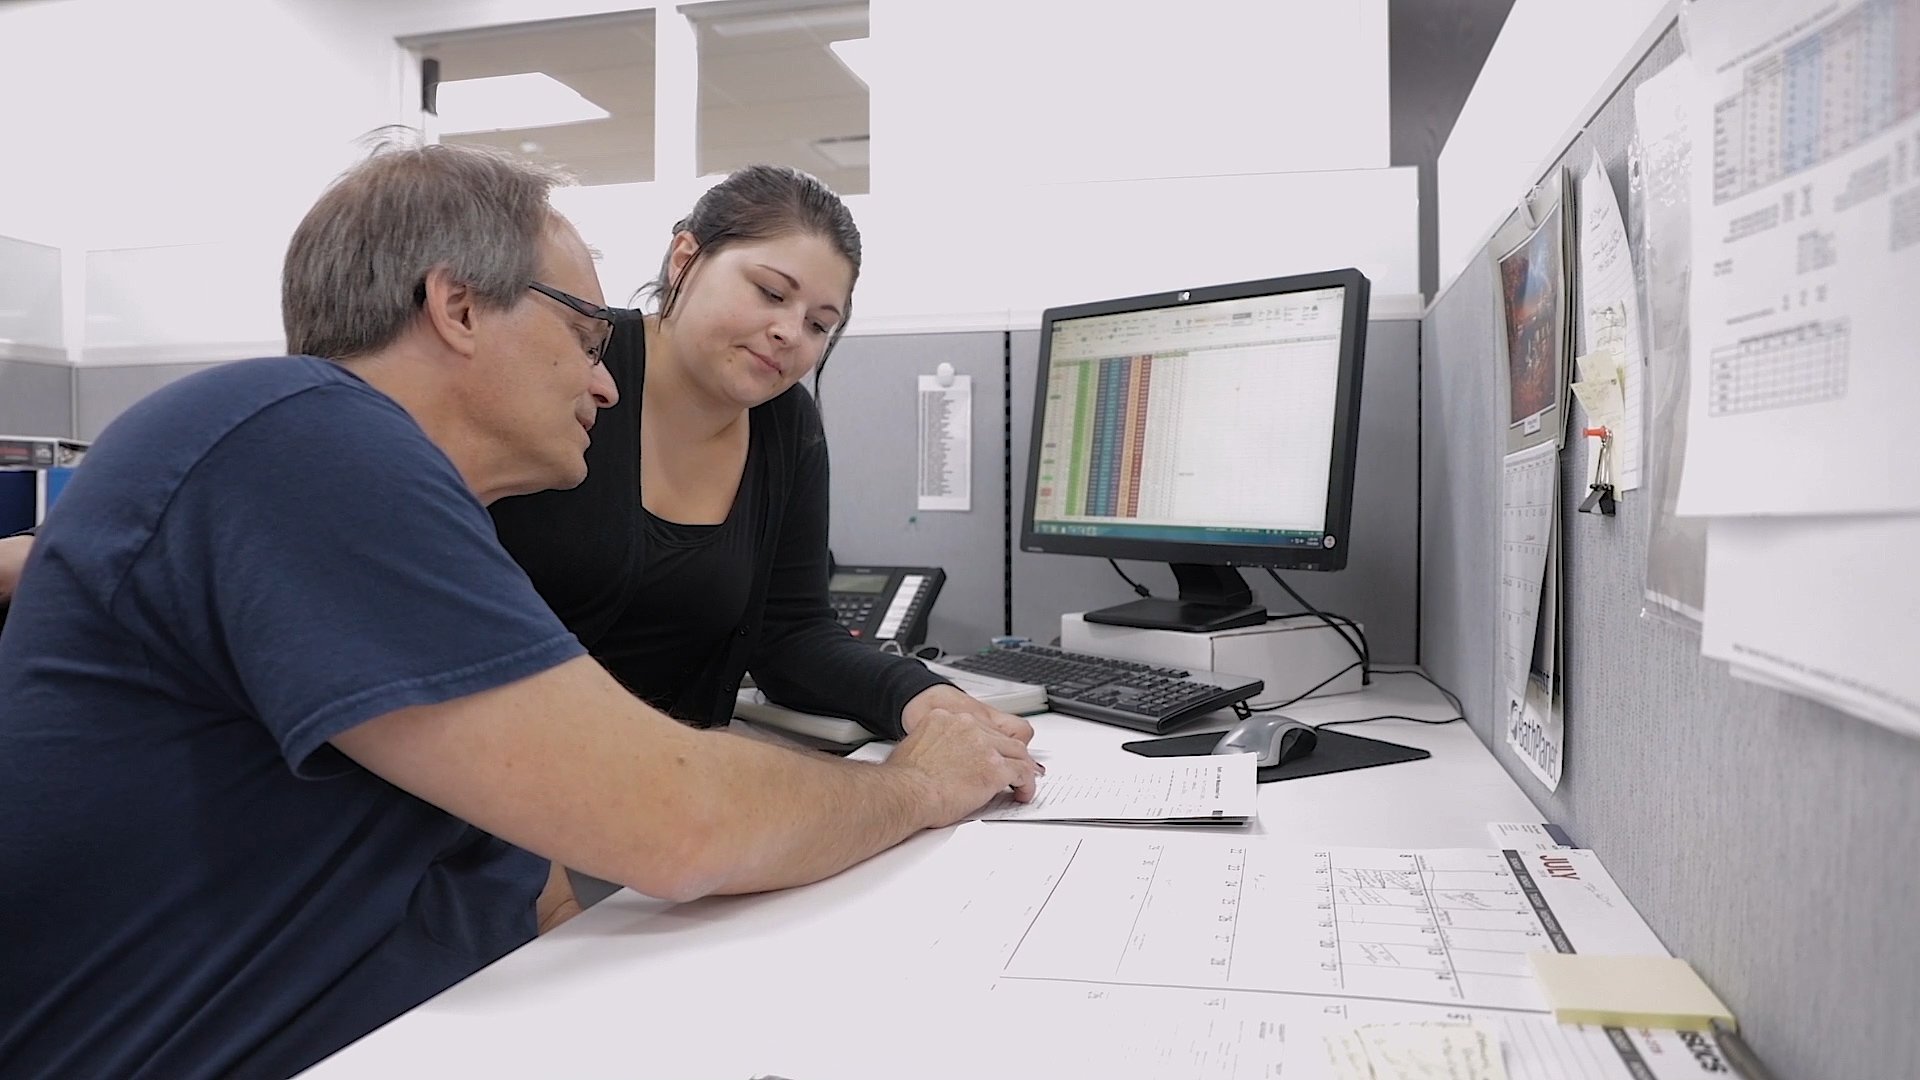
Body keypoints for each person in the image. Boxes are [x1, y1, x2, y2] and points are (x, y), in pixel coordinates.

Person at [0, 140, 1040, 1080]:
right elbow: (678, 821)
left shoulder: (399, 487)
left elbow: (507, 838)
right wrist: (916, 788)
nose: (605, 384)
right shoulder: (300, 438)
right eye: (588, 339)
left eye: (822, 323)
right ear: (457, 307)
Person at [487, 164, 1026, 747]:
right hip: (518, 766)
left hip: (679, 780)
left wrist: (920, 697)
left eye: (821, 324)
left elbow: (790, 634)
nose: (791, 333)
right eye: (771, 293)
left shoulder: (785, 424)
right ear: (684, 258)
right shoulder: (575, 365)